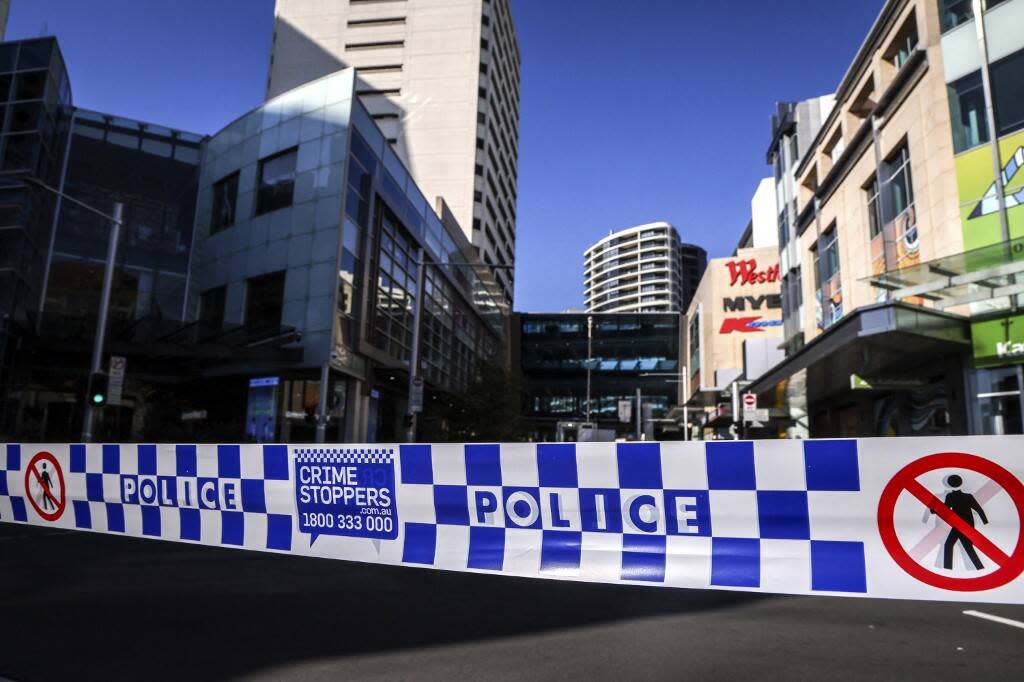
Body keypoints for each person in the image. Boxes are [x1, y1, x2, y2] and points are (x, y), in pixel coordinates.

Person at [933, 474, 989, 570]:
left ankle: (948, 568)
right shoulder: (968, 496)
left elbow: (944, 508)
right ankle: (979, 567)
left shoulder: (950, 496)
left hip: (959, 524)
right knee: (965, 546)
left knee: (950, 544)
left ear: (950, 485)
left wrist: (933, 510)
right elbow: (979, 509)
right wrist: (985, 522)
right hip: (967, 524)